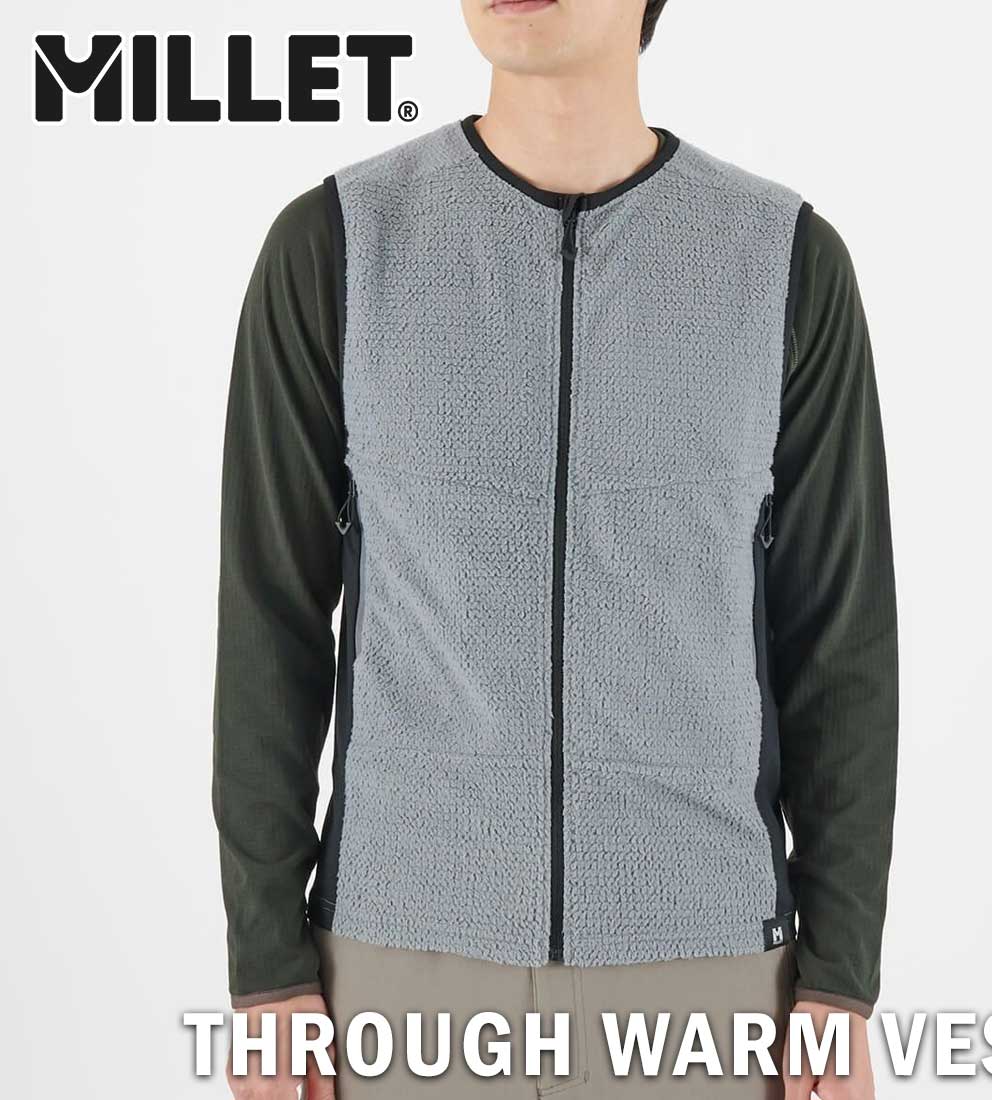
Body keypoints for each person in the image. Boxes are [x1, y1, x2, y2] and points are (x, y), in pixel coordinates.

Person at [213, 0, 898, 1096]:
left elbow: (840, 644)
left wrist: (839, 983)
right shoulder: (338, 244)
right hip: (394, 964)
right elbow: (268, 620)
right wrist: (266, 968)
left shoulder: (783, 262)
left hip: (708, 968)